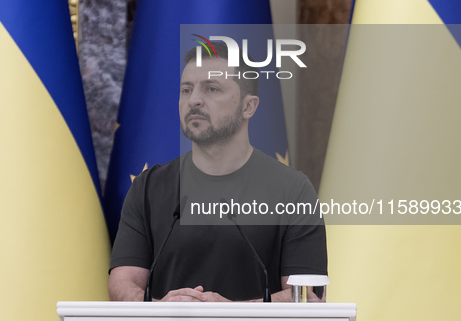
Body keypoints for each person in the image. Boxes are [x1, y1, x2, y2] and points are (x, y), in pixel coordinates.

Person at [108, 42, 327, 302]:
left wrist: (230, 312)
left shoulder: (293, 190)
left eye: (211, 88)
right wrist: (164, 308)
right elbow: (122, 283)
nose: (194, 100)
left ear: (249, 107)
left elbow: (308, 297)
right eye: (186, 89)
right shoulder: (148, 188)